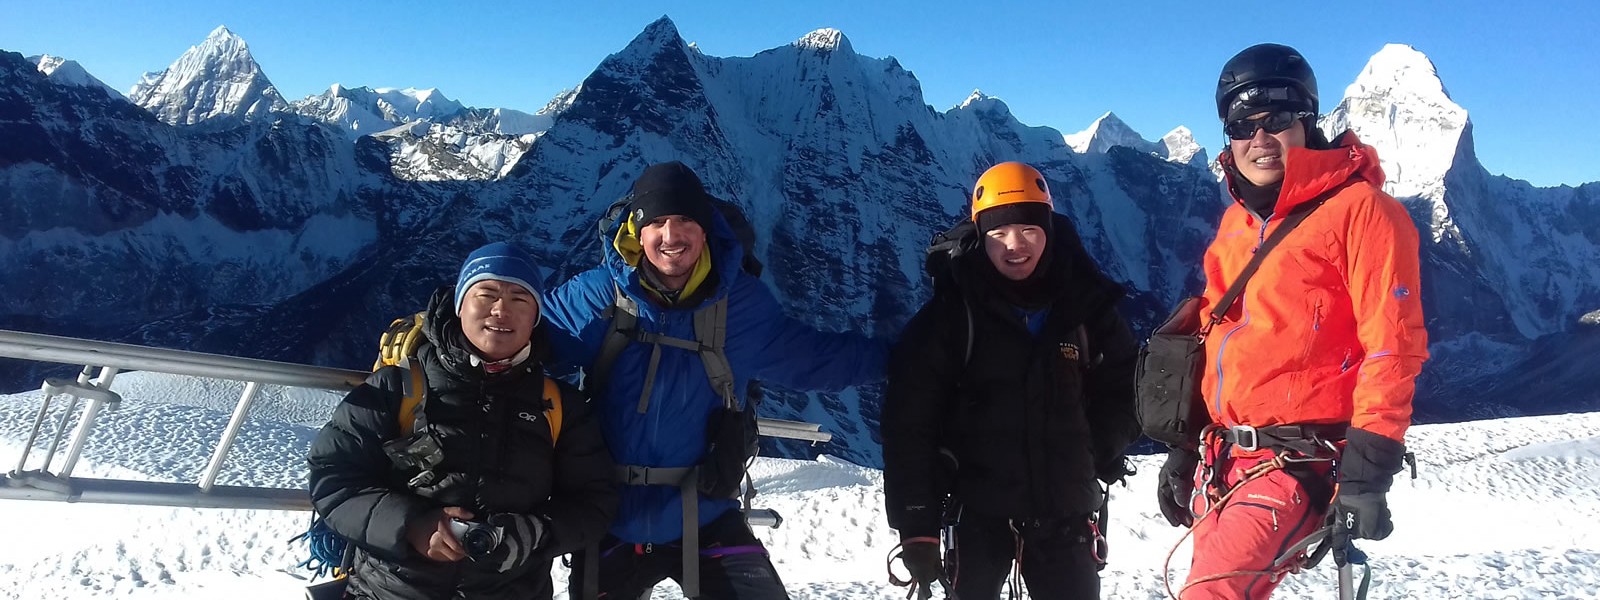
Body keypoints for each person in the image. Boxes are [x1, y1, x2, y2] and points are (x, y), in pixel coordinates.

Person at [1154, 43, 1429, 599]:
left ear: (1308, 121)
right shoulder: (1236, 222)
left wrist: (1368, 471)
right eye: (1242, 124)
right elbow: (1215, 337)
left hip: (1298, 460)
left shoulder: (1365, 212)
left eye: (1277, 120)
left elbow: (1392, 346)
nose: (1260, 138)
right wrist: (1186, 446)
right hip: (1224, 457)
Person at [540, 161, 887, 599]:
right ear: (636, 232)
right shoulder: (597, 297)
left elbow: (818, 359)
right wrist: (445, 332)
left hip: (704, 511)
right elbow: (517, 331)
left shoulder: (741, 305)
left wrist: (910, 356)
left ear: (706, 230)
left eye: (685, 220)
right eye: (658, 222)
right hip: (609, 514)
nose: (671, 235)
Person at [881, 161, 1141, 599]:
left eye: (1028, 230)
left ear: (1049, 231)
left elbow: (1128, 385)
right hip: (977, 514)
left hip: (1067, 512)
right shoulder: (952, 316)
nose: (1013, 246)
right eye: (998, 233)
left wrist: (1094, 448)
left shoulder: (1085, 307)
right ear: (981, 237)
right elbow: (910, 419)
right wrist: (916, 522)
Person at [308, 242, 618, 600]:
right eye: (486, 294)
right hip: (391, 591)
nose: (501, 310)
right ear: (459, 306)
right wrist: (409, 525)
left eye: (520, 299)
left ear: (535, 317)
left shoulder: (559, 407)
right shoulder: (398, 387)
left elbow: (594, 502)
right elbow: (333, 476)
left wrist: (533, 532)